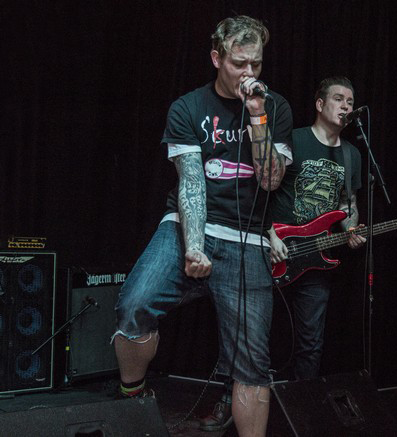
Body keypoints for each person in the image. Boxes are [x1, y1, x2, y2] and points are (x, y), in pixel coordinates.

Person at [112, 15, 292, 437]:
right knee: (134, 305)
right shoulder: (188, 108)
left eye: (256, 63)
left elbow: (270, 180)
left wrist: (258, 116)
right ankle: (133, 400)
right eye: (239, 63)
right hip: (187, 225)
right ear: (216, 58)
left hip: (246, 239)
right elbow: (191, 183)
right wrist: (194, 247)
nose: (248, 73)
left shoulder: (275, 107)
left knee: (252, 364)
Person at [199, 76, 365, 432]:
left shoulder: (352, 155)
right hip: (270, 250)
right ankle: (229, 402)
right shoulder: (296, 139)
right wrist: (269, 233)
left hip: (316, 264)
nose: (346, 106)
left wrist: (351, 229)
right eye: (339, 98)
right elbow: (261, 189)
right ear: (320, 104)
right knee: (244, 334)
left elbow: (347, 204)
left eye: (351, 102)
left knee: (311, 343)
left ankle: (302, 412)